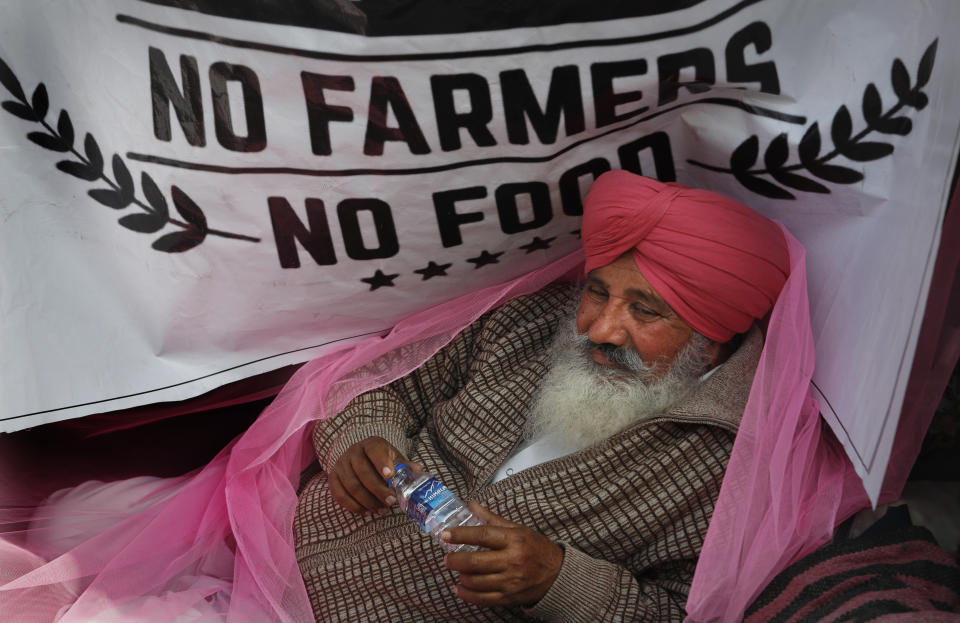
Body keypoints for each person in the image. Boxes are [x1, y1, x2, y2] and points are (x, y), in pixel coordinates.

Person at [294, 169, 790, 622]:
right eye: (598, 293)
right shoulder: (528, 321)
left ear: (710, 345)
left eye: (644, 312)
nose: (599, 329)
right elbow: (381, 379)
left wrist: (559, 581)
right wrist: (360, 439)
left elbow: (685, 614)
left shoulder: (728, 468)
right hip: (271, 553)